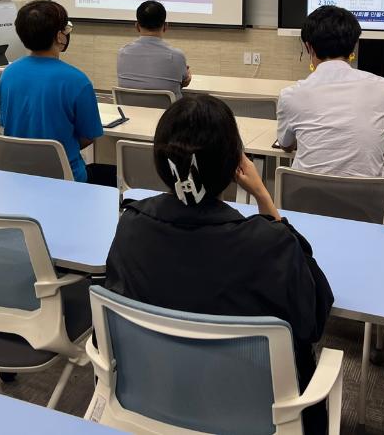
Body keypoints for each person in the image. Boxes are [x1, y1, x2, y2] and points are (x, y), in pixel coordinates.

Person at [105, 94, 334, 434]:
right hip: (256, 414)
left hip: (156, 400)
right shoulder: (269, 244)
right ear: (234, 164)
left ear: (161, 161)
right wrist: (264, 198)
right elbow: (313, 319)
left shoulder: (131, 226)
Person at [277, 5, 384, 177]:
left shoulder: (290, 95)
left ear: (309, 47)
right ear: (353, 46)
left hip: (305, 193)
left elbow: (286, 146)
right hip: (368, 194)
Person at [0, 0, 114, 185]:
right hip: (65, 178)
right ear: (60, 36)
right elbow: (88, 136)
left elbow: (7, 123)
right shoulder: (77, 80)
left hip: (16, 176)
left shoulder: (8, 74)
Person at [116, 0, 191, 99]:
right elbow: (184, 82)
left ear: (137, 26)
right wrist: (188, 76)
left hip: (129, 108)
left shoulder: (122, 53)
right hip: (168, 109)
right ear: (165, 26)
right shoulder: (177, 56)